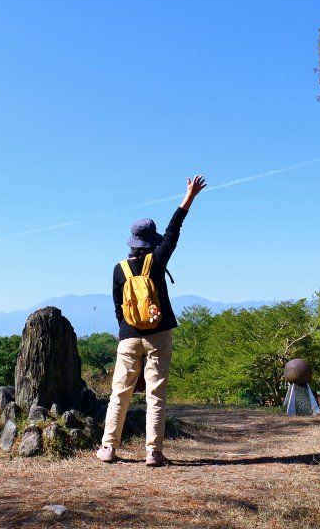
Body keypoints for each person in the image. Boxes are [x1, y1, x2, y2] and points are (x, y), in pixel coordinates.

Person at [97, 174, 206, 466]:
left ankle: (108, 447)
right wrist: (189, 197)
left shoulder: (119, 269)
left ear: (132, 242)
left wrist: (127, 328)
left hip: (128, 336)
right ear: (151, 240)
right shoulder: (156, 261)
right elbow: (174, 230)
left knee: (119, 394)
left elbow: (118, 307)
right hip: (159, 334)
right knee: (155, 396)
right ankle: (153, 453)